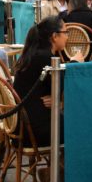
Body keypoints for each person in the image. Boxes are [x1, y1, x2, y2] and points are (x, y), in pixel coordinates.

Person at [13, 16, 82, 147]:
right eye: (65, 32)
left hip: (22, 125)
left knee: (73, 122)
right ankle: (62, 167)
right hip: (33, 130)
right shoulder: (45, 58)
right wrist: (74, 63)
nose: (67, 36)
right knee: (81, 126)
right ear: (55, 36)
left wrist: (57, 100)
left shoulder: (34, 54)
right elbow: (62, 86)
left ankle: (58, 166)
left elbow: (56, 89)